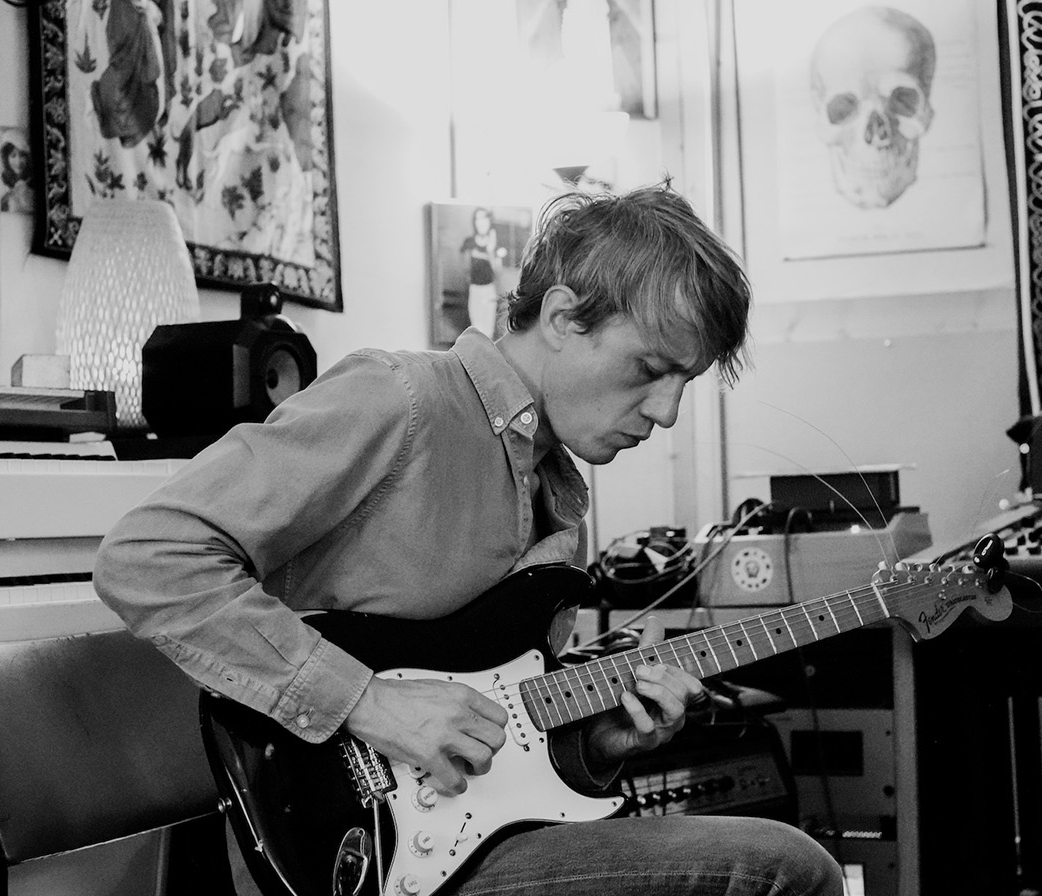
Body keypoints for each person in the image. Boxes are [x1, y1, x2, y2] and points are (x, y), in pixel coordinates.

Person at [94, 182, 843, 896]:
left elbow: (503, 725)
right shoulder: (400, 399)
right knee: (785, 868)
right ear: (560, 316)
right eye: (649, 369)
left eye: (687, 381)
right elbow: (150, 555)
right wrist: (366, 702)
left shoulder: (557, 488)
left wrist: (596, 743)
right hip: (328, 842)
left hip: (458, 844)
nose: (669, 412)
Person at [459, 206, 505, 338]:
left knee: (488, 333)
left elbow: (498, 272)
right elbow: (464, 268)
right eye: (478, 219)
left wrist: (490, 251)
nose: (481, 222)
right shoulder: (469, 242)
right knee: (476, 332)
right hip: (474, 290)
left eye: (484, 218)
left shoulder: (495, 244)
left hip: (489, 290)